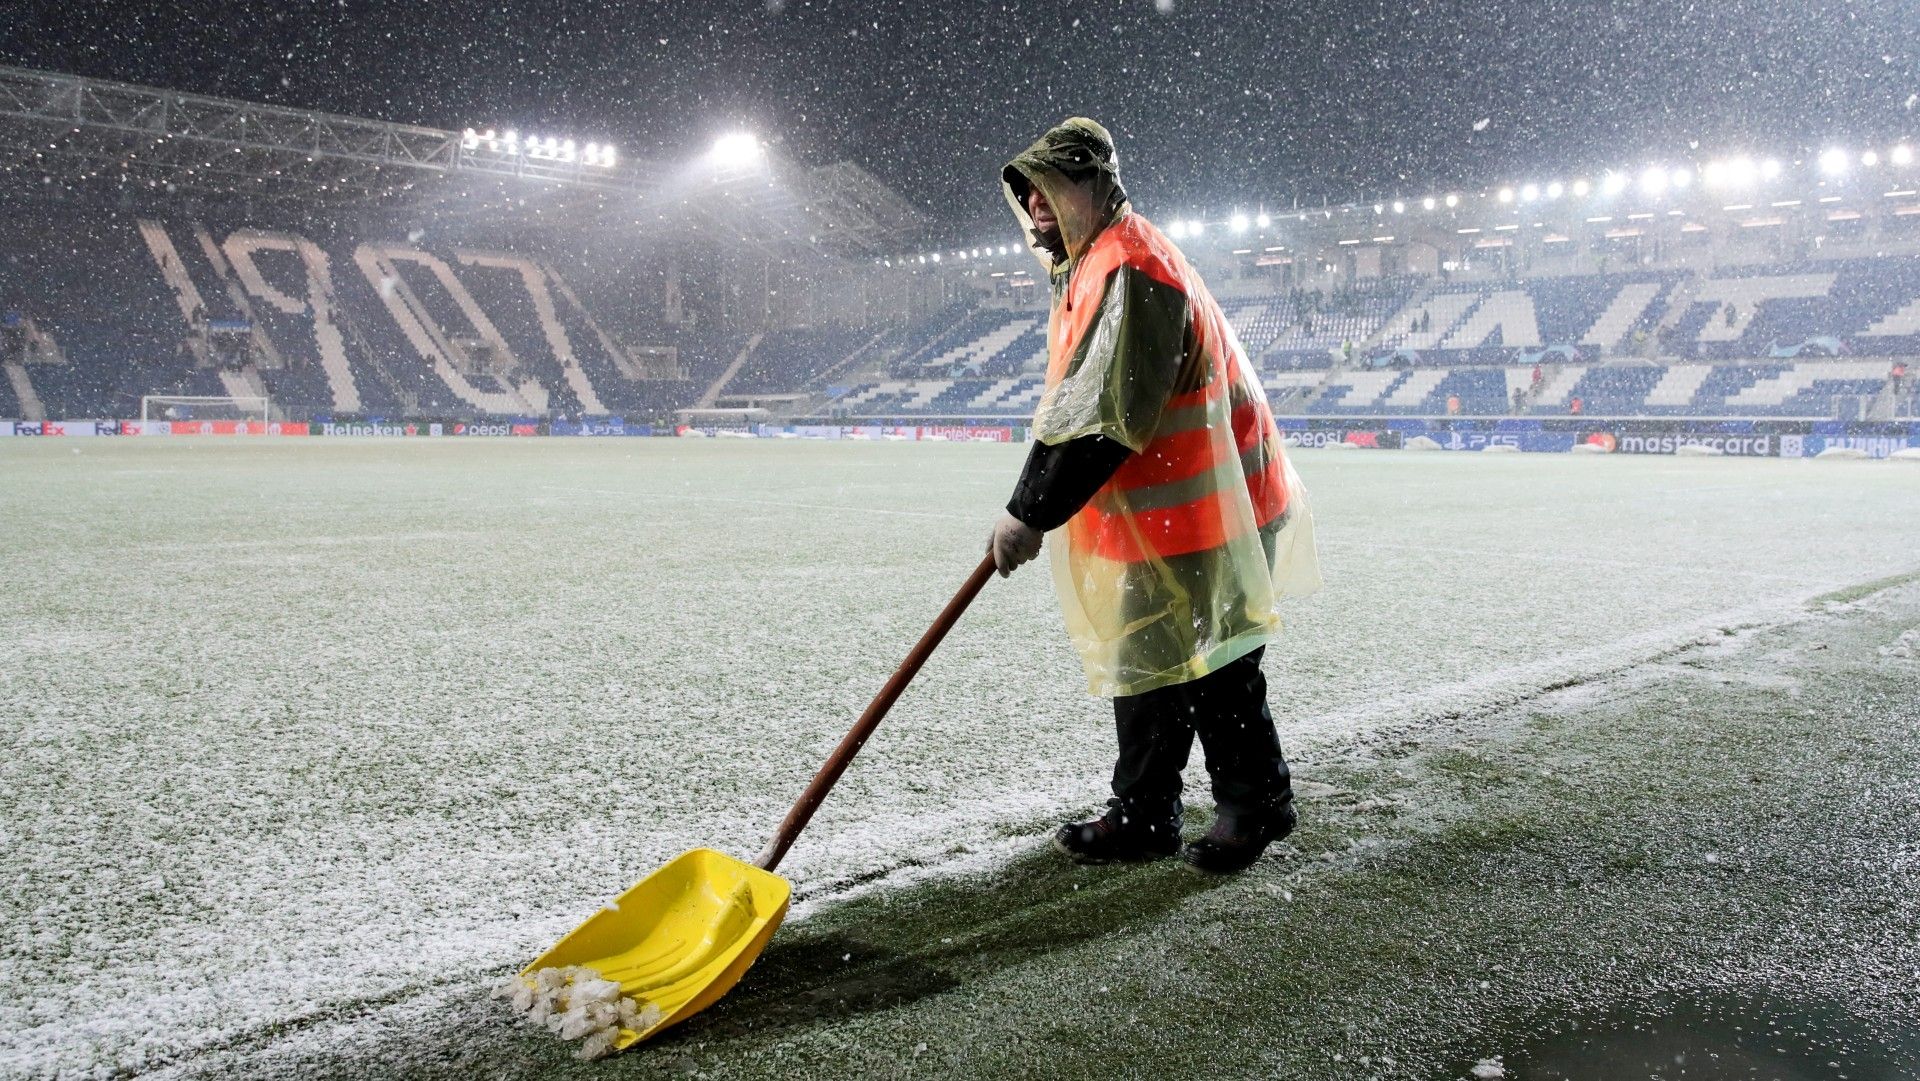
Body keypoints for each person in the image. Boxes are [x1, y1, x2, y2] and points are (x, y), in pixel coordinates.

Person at [986, 118, 1321, 874]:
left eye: (1054, 185)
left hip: (1212, 505)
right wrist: (1030, 502)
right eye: (1029, 190)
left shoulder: (1130, 266)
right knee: (1146, 664)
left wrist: (1029, 512)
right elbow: (1073, 405)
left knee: (1215, 666)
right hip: (1156, 519)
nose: (1038, 203)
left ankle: (1255, 806)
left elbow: (1103, 419)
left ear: (1096, 185)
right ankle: (1144, 813)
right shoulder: (1090, 265)